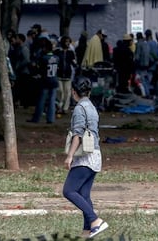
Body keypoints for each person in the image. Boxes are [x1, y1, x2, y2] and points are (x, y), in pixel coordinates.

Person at [63, 75, 108, 239]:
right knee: (84, 194)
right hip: (95, 154)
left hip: (84, 156)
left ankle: (96, 221)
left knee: (68, 190)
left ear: (74, 92)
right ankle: (87, 231)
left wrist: (69, 156)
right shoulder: (91, 107)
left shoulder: (79, 108)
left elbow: (78, 134)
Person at [27, 39, 59, 123]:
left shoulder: (44, 58)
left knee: (41, 100)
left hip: (45, 81)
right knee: (52, 100)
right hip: (54, 80)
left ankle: (36, 118)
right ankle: (51, 119)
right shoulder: (56, 58)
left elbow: (39, 69)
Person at [54, 36, 77, 114]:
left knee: (67, 91)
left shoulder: (71, 52)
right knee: (60, 91)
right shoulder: (57, 51)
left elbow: (73, 62)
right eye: (66, 42)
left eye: (68, 42)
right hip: (59, 74)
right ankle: (59, 105)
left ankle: (65, 108)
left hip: (67, 75)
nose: (67, 44)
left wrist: (76, 65)